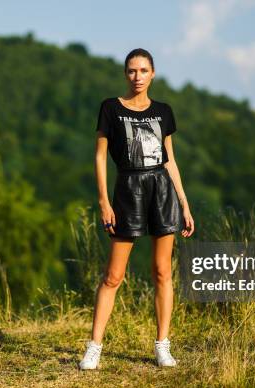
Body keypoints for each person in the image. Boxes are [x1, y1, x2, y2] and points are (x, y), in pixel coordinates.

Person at [79, 48, 195, 370]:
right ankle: (94, 347)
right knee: (113, 276)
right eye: (132, 71)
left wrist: (184, 203)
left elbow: (169, 159)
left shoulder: (163, 111)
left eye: (143, 70)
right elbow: (100, 157)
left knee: (162, 271)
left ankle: (162, 345)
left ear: (153, 73)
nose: (137, 76)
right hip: (127, 189)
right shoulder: (111, 108)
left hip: (161, 189)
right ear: (125, 73)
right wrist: (104, 200)